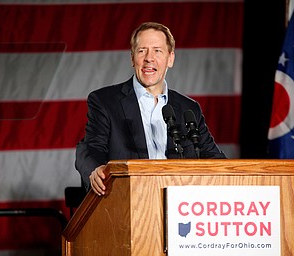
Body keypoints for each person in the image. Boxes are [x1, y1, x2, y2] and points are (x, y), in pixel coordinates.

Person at [75, 22, 225, 196]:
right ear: (132, 58)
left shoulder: (188, 109)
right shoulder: (105, 102)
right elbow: (91, 148)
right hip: (129, 199)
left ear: (170, 59)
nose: (149, 58)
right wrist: (96, 169)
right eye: (142, 51)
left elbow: (212, 157)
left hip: (181, 204)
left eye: (157, 51)